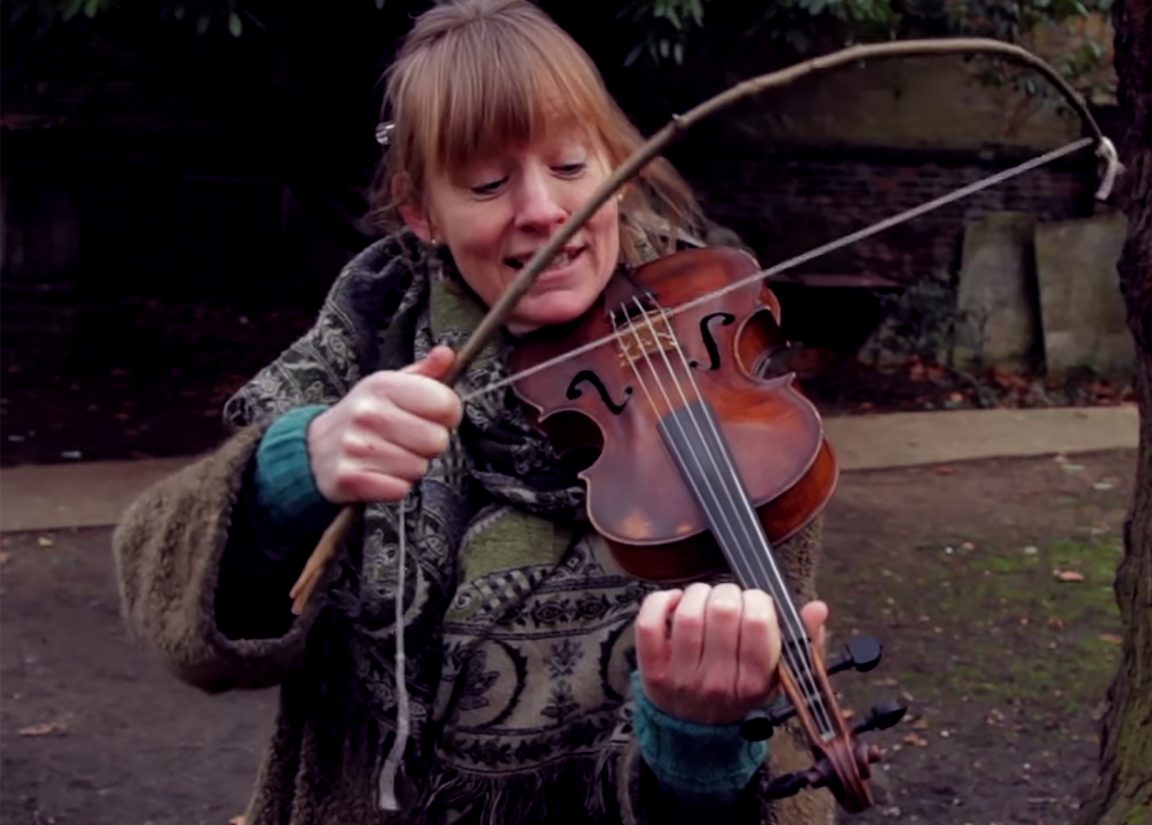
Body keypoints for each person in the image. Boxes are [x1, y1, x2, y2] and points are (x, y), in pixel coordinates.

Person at [113, 2, 834, 823]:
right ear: (421, 211)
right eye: (488, 183)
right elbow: (169, 609)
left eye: (571, 166)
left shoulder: (727, 386)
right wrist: (298, 469)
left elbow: (781, 768)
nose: (542, 209)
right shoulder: (359, 351)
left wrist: (699, 746)